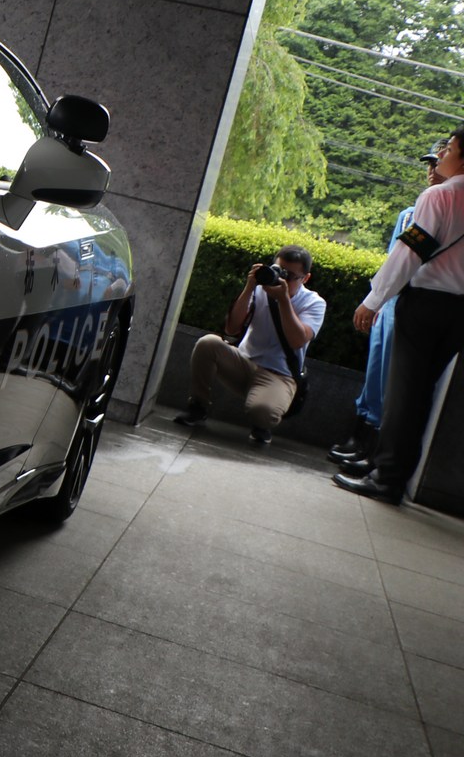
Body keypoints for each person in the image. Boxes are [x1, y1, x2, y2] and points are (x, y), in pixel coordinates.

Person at [332, 126, 464, 504]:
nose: (442, 156)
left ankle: (385, 478)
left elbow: (409, 253)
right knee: (421, 397)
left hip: (425, 304)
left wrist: (373, 299)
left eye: (450, 149)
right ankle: (395, 474)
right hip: (459, 313)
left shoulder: (438, 196)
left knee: (404, 394)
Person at [172, 244, 325, 444]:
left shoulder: (314, 303)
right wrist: (250, 286)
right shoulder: (261, 288)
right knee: (207, 343)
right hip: (243, 362)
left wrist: (284, 301)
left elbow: (297, 340)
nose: (281, 279)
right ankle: (198, 406)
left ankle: (261, 423)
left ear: (305, 278)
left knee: (263, 412)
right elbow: (232, 328)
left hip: (279, 375)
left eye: (290, 276)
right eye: (278, 271)